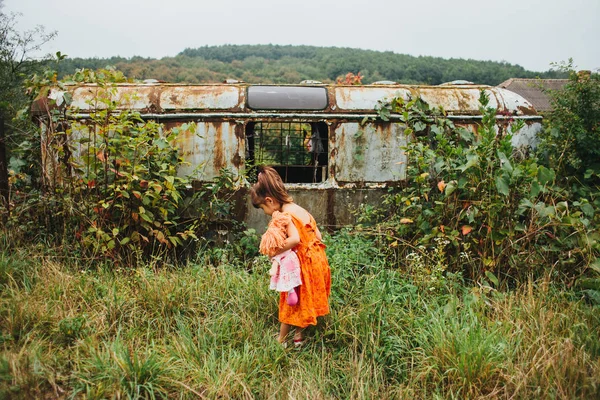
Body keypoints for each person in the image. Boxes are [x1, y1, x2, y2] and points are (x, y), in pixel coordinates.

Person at [250, 166, 331, 347]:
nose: (266, 213)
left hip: (303, 265)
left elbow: (295, 239)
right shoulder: (300, 209)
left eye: (263, 208)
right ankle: (298, 336)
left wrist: (275, 251)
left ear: (269, 201)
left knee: (290, 301)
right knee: (302, 300)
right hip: (318, 261)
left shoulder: (285, 215)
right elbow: (318, 236)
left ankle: (281, 340)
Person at [259, 209, 302, 306]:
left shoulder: (278, 252)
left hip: (290, 266)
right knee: (291, 279)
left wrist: (273, 252)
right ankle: (292, 291)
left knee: (290, 279)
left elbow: (295, 239)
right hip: (293, 265)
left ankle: (292, 291)